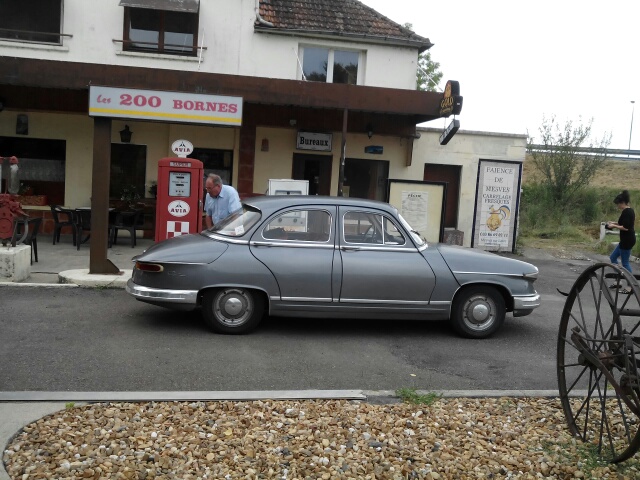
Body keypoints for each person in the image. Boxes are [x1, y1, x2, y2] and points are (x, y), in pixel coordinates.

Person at [607, 190, 636, 290]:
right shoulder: (627, 211)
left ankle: (630, 286)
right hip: (624, 240)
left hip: (627, 240)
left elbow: (626, 227)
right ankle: (617, 281)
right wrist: (613, 223)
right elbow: (622, 223)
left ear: (622, 202)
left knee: (625, 263)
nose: (617, 206)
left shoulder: (628, 212)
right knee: (613, 257)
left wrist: (614, 226)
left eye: (618, 204)